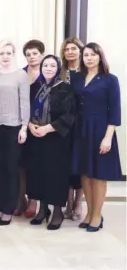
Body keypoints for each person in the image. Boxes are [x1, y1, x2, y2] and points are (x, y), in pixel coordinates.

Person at [72, 42, 122, 232]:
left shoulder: (110, 79)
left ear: (100, 57)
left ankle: (97, 215)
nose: (89, 58)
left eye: (93, 54)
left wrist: (108, 137)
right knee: (85, 172)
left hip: (101, 129)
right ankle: (89, 211)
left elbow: (115, 111)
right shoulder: (77, 78)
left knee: (99, 175)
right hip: (81, 129)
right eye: (86, 55)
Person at [26, 55, 76, 230]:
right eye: (45, 65)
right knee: (39, 173)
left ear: (58, 68)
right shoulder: (34, 88)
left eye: (52, 65)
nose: (48, 68)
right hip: (36, 137)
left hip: (56, 138)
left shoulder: (65, 89)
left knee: (55, 174)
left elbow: (69, 115)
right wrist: (31, 126)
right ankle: (42, 209)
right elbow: (26, 111)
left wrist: (47, 128)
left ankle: (57, 211)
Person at [0, 40, 30, 226]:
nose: (5, 56)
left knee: (12, 169)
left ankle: (9, 209)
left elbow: (24, 102)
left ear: (13, 54)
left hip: (14, 126)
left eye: (8, 53)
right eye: (1, 53)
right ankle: (2, 207)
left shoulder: (20, 75)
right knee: (0, 168)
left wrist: (24, 127)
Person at [18, 39, 45, 218]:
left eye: (35, 53)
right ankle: (21, 199)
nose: (31, 57)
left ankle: (35, 200)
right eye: (28, 54)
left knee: (38, 165)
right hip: (22, 124)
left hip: (42, 126)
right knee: (21, 164)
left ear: (42, 54)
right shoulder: (20, 74)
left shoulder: (49, 72)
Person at [59, 37, 85, 220]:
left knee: (80, 164)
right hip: (64, 124)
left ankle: (78, 202)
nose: (70, 52)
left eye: (73, 48)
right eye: (67, 49)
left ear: (80, 51)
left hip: (82, 123)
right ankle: (67, 202)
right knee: (65, 164)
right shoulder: (61, 73)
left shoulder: (87, 72)